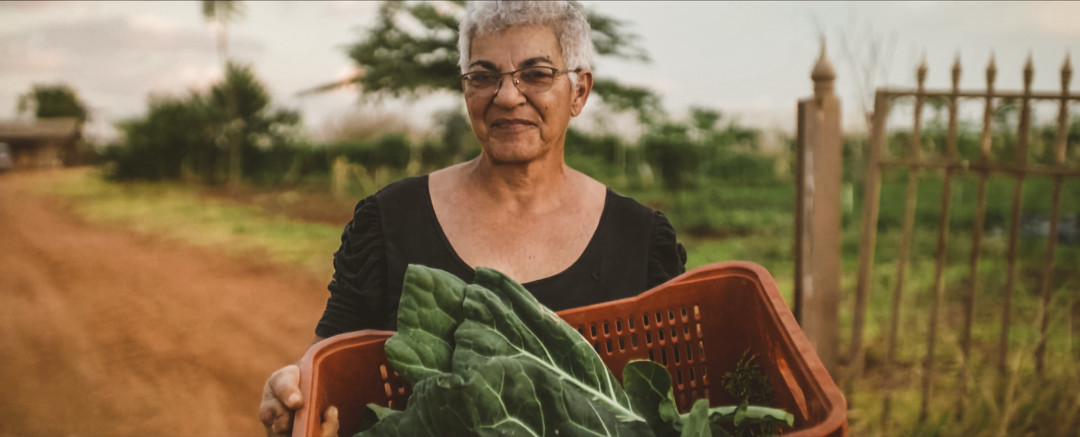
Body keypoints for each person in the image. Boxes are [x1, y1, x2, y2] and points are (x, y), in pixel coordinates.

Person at [258, 1, 687, 435]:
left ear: (579, 91)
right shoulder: (390, 222)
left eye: (536, 74)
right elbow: (330, 369)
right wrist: (295, 393)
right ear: (466, 90)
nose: (506, 95)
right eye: (483, 76)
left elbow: (675, 412)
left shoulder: (641, 241)